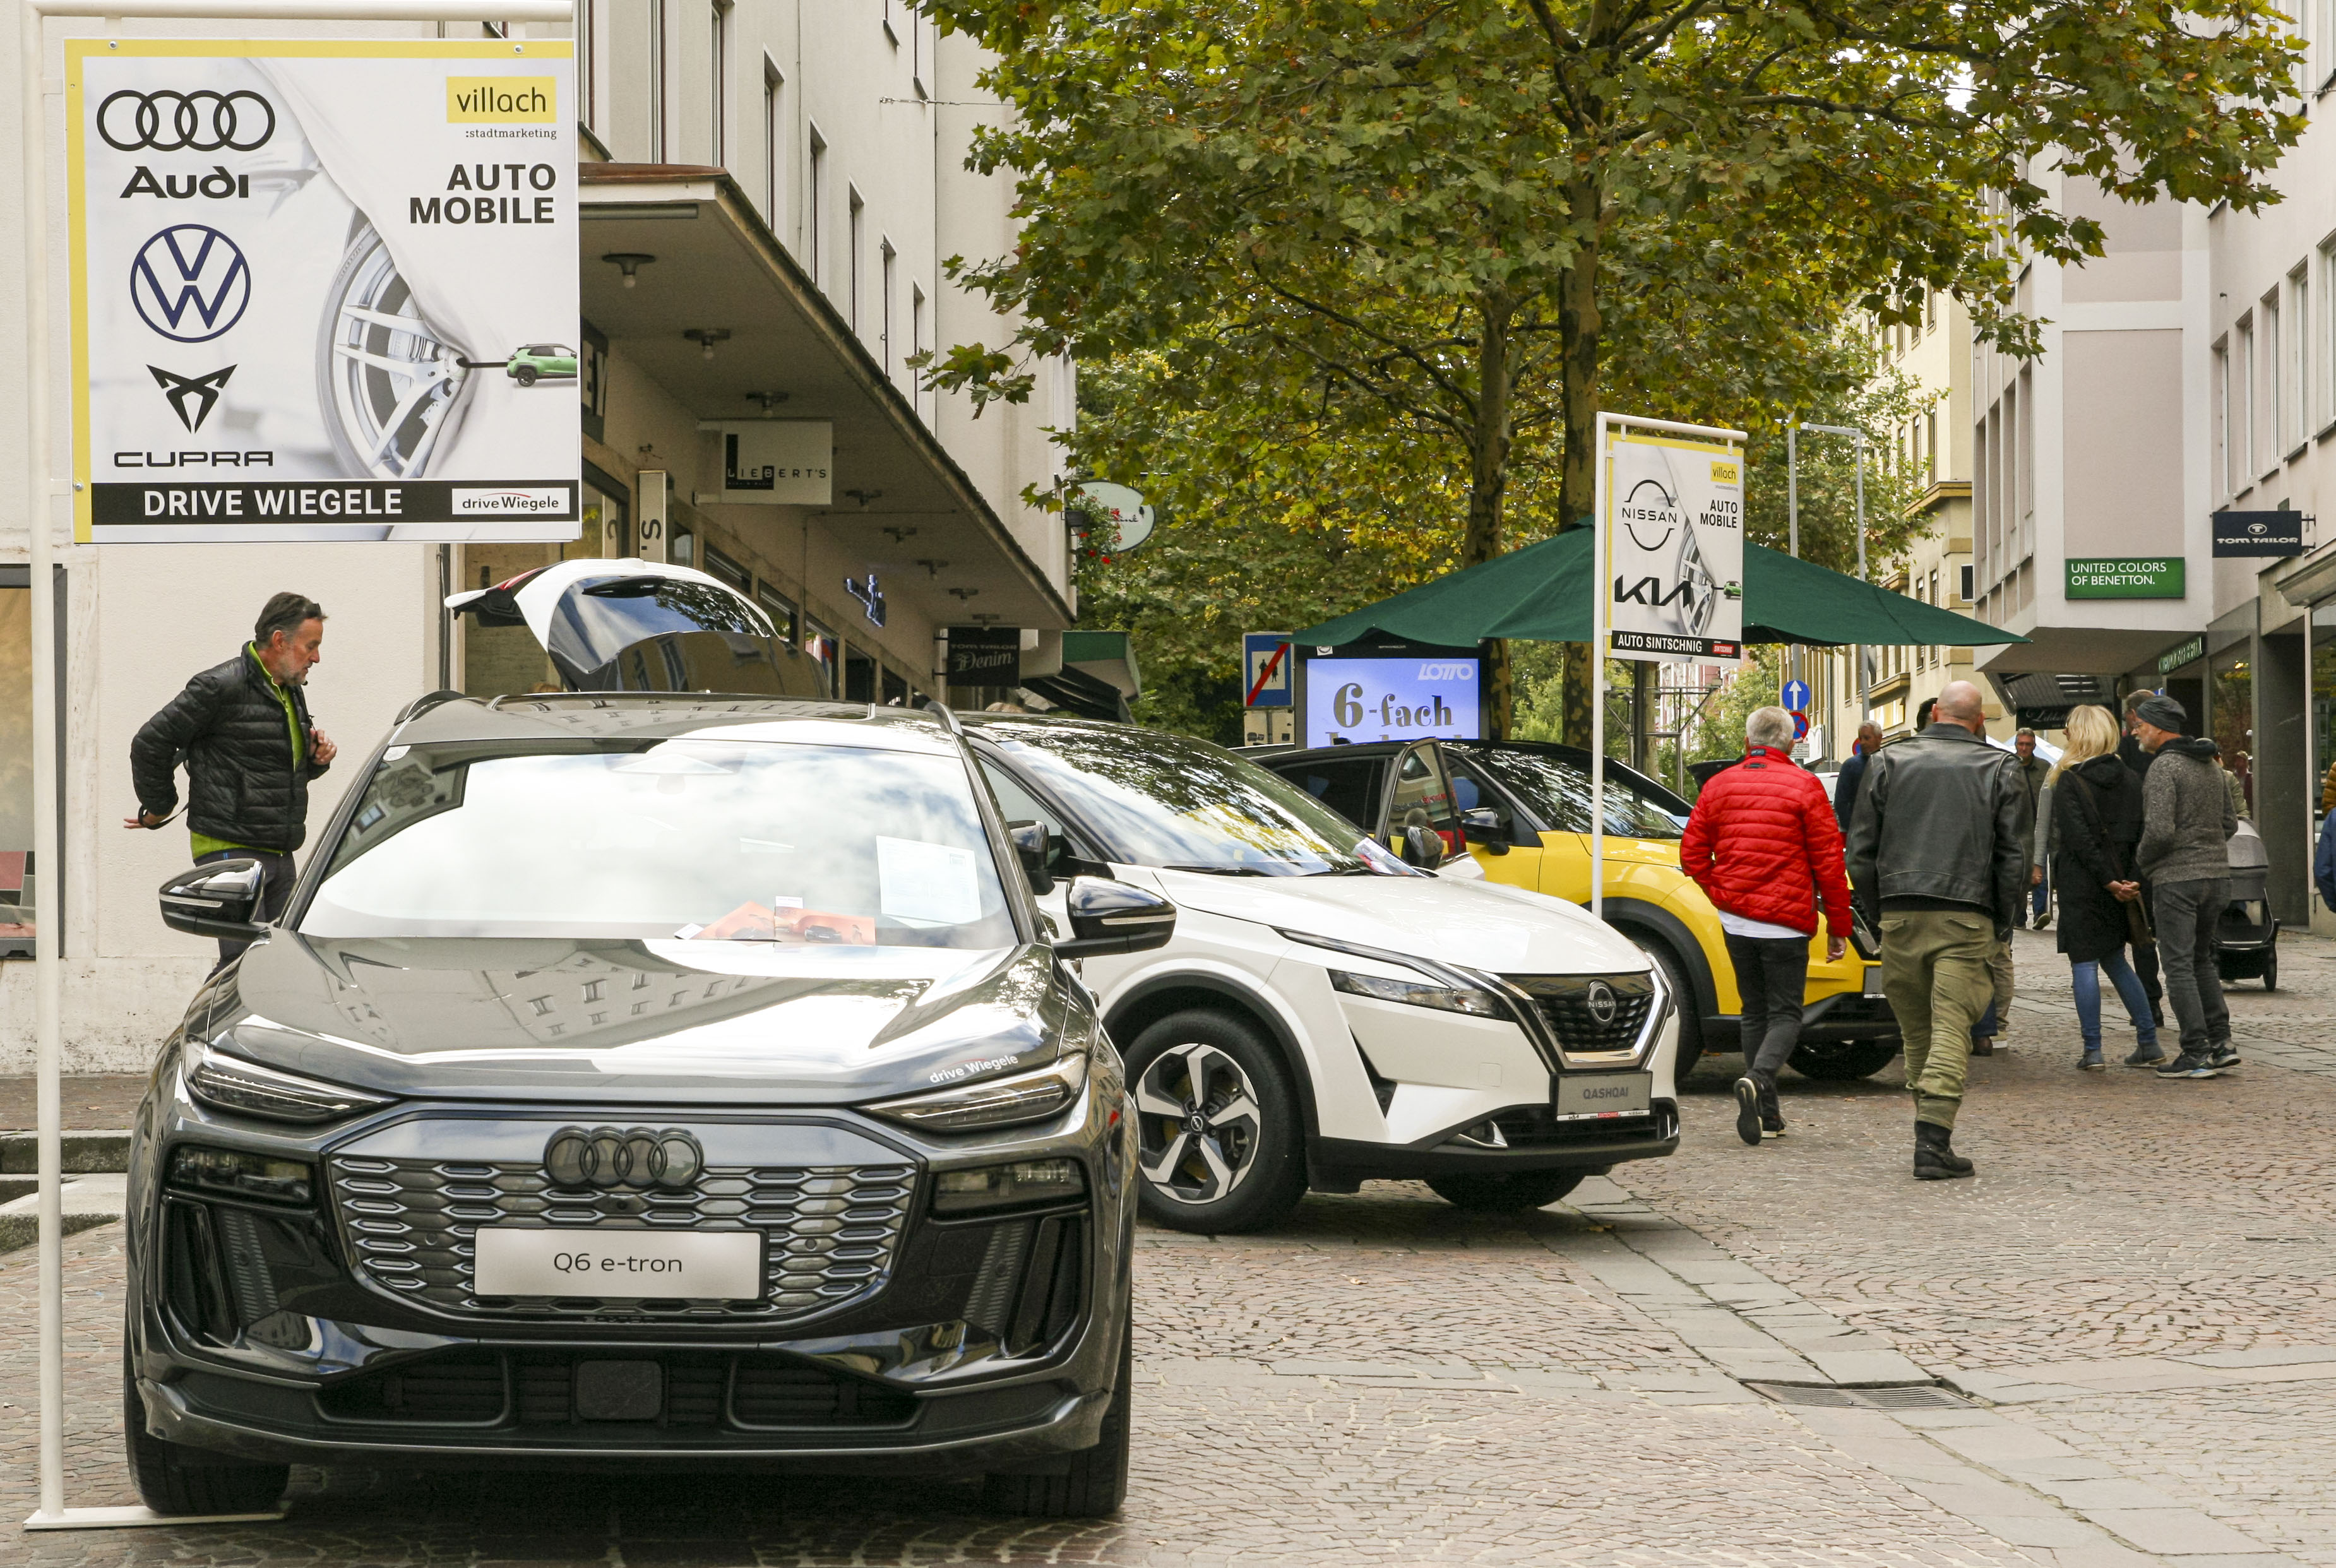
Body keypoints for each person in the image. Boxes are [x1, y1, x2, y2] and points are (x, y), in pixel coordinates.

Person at [1847, 680, 2026, 1180]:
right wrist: (2002, 922)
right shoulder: (2001, 767)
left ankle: (1929, 1134)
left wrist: (1880, 910)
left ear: (1934, 715)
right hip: (1967, 914)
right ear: (1980, 721)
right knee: (1951, 1025)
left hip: (1900, 912)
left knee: (1917, 1031)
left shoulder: (1887, 761)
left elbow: (1859, 852)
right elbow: (2014, 856)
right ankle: (1932, 1139)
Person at [128, 593, 337, 968]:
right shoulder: (219, 686)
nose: (316, 657)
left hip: (279, 847)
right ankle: (214, 1010)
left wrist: (315, 761)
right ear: (280, 641)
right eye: (311, 646)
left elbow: (272, 766)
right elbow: (150, 742)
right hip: (229, 845)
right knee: (246, 965)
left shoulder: (289, 689)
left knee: (286, 963)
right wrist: (160, 806)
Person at [1681, 706, 1855, 1148]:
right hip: (1786, 921)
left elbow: (1691, 854)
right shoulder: (1805, 786)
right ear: (1792, 743)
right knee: (1786, 1013)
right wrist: (1839, 924)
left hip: (1736, 920)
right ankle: (1758, 1079)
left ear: (1748, 742)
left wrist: (1720, 892)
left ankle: (1767, 1114)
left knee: (1754, 1011)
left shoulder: (1719, 785)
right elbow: (1829, 863)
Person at [2047, 706, 2160, 1071]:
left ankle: (2093, 1049)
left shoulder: (2070, 779)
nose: (2066, 734)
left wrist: (2106, 880)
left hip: (2084, 884)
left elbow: (2078, 840)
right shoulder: (2131, 778)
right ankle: (2149, 1041)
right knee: (2116, 960)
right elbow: (2144, 834)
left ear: (2081, 734)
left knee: (2084, 963)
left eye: (2069, 728)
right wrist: (2130, 880)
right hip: (2124, 883)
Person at [2131, 693, 2238, 1078]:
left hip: (2177, 879)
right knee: (2201, 960)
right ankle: (2221, 1044)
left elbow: (2159, 831)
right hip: (2216, 877)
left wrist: (2143, 862)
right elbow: (2230, 823)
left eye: (2140, 725)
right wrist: (2206, 847)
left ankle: (2195, 1052)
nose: (2135, 731)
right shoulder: (2210, 766)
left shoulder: (2164, 768)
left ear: (2158, 728)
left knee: (2177, 966)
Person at [2011, 729, 2050, 927]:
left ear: (2034, 746)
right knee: (2017, 873)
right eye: (2021, 744)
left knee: (2039, 870)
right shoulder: (2008, 766)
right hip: (2016, 829)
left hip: (2038, 828)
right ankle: (2019, 917)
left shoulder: (2045, 768)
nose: (2024, 748)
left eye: (2028, 744)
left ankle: (2040, 913)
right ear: (2016, 745)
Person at [1833, 720, 1882, 831]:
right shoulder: (1850, 766)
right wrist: (1852, 828)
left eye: (1867, 738)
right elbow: (1841, 802)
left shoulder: (1888, 762)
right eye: (1861, 739)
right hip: (1858, 830)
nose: (1863, 742)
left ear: (1879, 738)